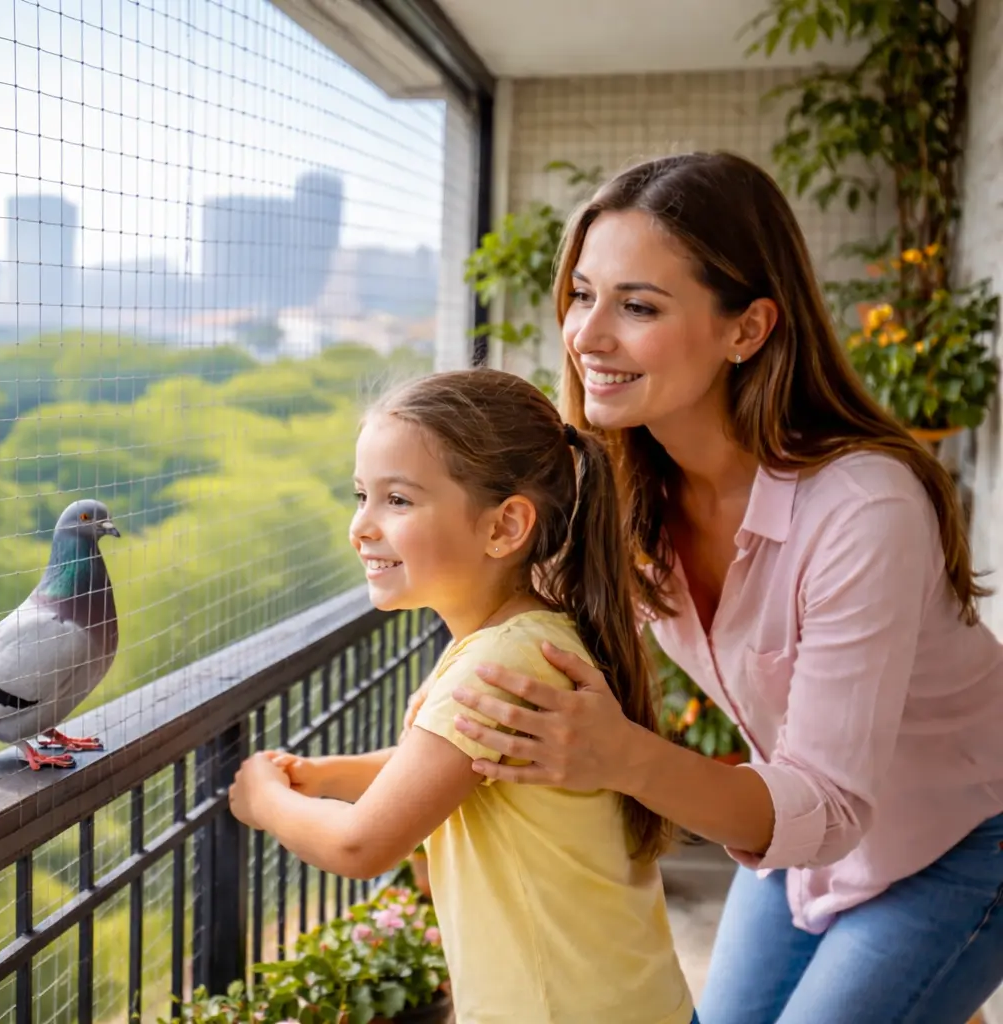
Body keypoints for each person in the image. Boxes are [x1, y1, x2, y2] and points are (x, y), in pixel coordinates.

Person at [445, 151, 1003, 1024]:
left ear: (747, 329)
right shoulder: (624, 492)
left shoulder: (863, 507)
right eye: (583, 294)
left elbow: (827, 805)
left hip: (968, 836)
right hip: (801, 828)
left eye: (638, 306)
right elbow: (525, 636)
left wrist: (621, 755)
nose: (587, 336)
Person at [226, 369, 697, 1024]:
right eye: (361, 495)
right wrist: (322, 776)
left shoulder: (498, 664)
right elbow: (458, 767)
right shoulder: (526, 636)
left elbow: (360, 847)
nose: (362, 525)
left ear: (504, 527)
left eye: (398, 500)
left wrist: (264, 798)